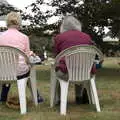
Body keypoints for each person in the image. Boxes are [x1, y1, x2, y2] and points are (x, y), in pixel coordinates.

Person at [0, 12, 43, 103]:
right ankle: (37, 97)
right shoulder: (24, 37)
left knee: (7, 68)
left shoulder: (1, 36)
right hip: (20, 72)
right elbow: (27, 57)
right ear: (19, 23)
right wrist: (31, 54)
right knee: (28, 71)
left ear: (7, 22)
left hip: (3, 71)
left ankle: (3, 98)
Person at [53, 15, 95, 104]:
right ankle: (79, 97)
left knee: (59, 71)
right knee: (80, 70)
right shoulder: (87, 37)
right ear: (78, 25)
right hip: (86, 72)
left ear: (63, 26)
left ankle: (59, 100)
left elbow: (57, 57)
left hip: (65, 73)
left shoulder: (59, 37)